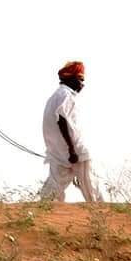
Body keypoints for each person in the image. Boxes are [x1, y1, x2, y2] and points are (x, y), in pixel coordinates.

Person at [39, 61, 102, 202]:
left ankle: (43, 211)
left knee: (53, 186)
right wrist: (72, 150)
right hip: (73, 150)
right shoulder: (66, 95)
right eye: (80, 79)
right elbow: (62, 120)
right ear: (70, 78)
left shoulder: (56, 96)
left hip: (57, 152)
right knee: (89, 184)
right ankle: (101, 213)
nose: (82, 84)